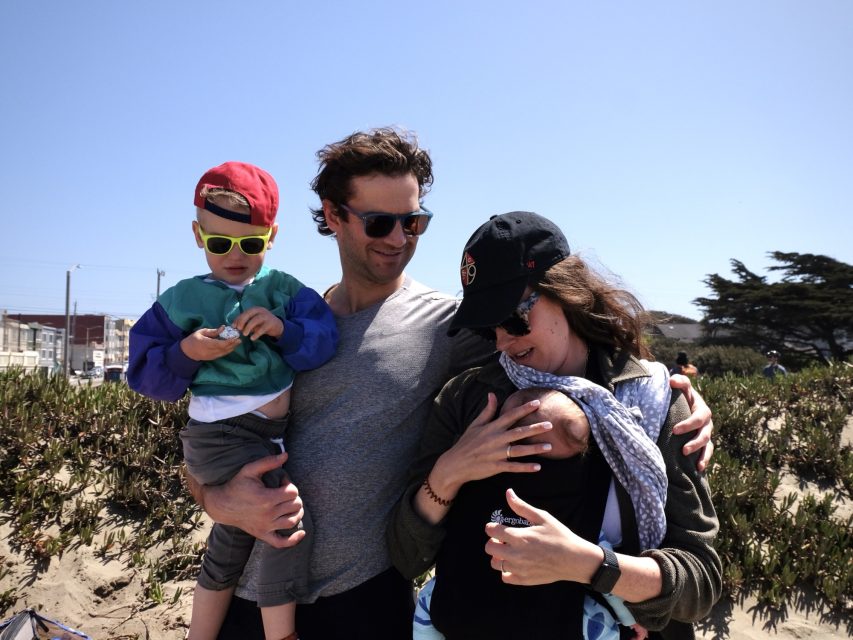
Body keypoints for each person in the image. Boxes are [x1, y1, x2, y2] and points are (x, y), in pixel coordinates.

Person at [187, 129, 716, 640]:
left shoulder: (449, 326)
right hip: (242, 588)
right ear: (332, 215)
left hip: (361, 600)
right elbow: (207, 441)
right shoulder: (280, 322)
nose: (398, 239)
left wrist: (678, 390)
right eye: (379, 223)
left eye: (412, 222)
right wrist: (215, 500)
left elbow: (589, 368)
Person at [389, 211, 722, 639]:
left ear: (565, 293)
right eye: (487, 329)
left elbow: (700, 583)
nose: (504, 342)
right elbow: (406, 555)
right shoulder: (467, 397)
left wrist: (588, 564)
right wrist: (450, 472)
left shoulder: (654, 401)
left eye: (513, 318)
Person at [127, 161, 338, 640]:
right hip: (222, 435)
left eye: (251, 243)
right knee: (286, 519)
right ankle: (281, 634)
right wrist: (186, 352)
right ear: (199, 236)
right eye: (220, 243)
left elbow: (324, 341)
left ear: (272, 235)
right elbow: (145, 372)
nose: (235, 256)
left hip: (261, 434)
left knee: (232, 536)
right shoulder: (181, 300)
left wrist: (284, 329)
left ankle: (201, 634)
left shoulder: (284, 291)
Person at [413, 387, 658, 640]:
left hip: (464, 613)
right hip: (552, 623)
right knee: (598, 623)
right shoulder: (573, 501)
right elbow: (604, 573)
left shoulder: (471, 483)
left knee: (429, 598)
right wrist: (630, 618)